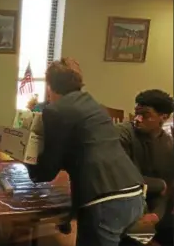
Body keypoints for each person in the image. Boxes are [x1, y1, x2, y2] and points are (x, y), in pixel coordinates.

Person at [25, 57, 145, 246]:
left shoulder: (56, 111)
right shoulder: (94, 105)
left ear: (50, 86)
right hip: (135, 194)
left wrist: (27, 157)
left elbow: (47, 171)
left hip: (105, 201)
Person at [115, 89, 174, 246]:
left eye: (146, 115)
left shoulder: (168, 144)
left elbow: (168, 190)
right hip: (122, 205)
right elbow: (122, 178)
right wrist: (159, 184)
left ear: (164, 117)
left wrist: (155, 215)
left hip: (153, 207)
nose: (138, 119)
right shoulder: (122, 134)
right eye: (136, 113)